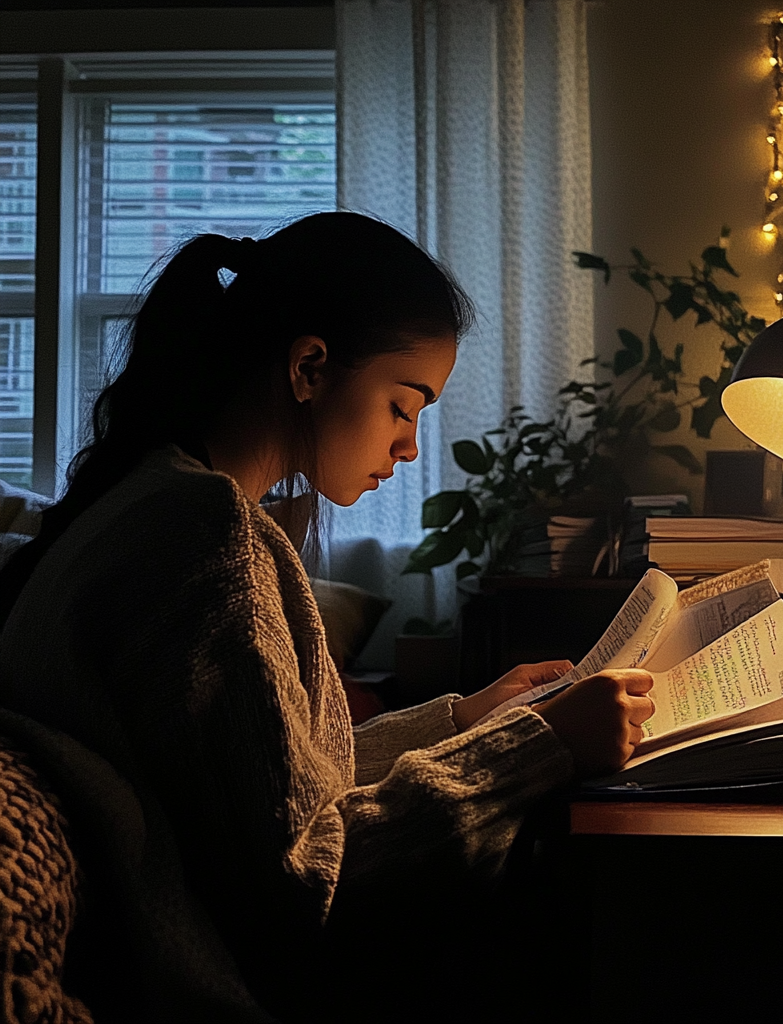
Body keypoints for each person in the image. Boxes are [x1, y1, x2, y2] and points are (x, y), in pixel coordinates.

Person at [0, 212, 654, 1022]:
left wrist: (470, 719)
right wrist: (538, 748)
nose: (409, 446)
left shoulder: (159, 503)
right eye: (402, 405)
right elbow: (306, 883)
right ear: (310, 367)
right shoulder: (205, 539)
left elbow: (275, 786)